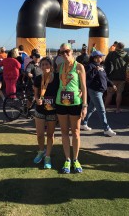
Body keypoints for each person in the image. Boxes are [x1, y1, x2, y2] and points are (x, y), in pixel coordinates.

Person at [55, 43, 87, 174]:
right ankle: (67, 159)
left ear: (72, 51)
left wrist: (85, 105)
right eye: (62, 52)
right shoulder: (59, 66)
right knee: (64, 132)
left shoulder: (79, 66)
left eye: (67, 51)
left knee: (76, 132)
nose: (65, 54)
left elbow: (84, 87)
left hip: (75, 103)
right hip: (61, 103)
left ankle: (76, 159)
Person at [81, 51, 117, 136]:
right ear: (94, 58)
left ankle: (83, 123)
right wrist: (95, 70)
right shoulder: (90, 66)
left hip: (100, 91)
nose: (101, 58)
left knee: (91, 109)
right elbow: (87, 77)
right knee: (101, 110)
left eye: (101, 57)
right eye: (99, 57)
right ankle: (106, 128)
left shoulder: (100, 66)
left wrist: (112, 84)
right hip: (94, 91)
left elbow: (105, 78)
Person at [33, 57, 59, 169]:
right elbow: (35, 93)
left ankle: (47, 156)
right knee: (39, 134)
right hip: (40, 109)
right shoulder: (38, 78)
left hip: (52, 110)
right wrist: (37, 99)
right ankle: (40, 151)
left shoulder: (57, 78)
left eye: (47, 64)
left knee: (50, 134)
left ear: (51, 66)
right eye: (42, 65)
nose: (45, 67)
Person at [104, 42, 129, 113]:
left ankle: (104, 109)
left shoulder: (111, 54)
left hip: (112, 77)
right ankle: (118, 109)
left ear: (116, 46)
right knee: (119, 93)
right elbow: (126, 63)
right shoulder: (126, 54)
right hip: (122, 76)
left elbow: (106, 63)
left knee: (109, 93)